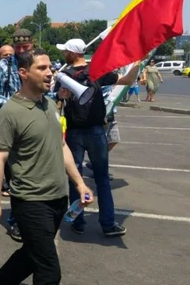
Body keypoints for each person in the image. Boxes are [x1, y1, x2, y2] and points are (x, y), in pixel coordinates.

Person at [0, 49, 95, 284]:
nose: (50, 73)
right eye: (42, 68)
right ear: (23, 73)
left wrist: (79, 182)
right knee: (49, 272)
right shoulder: (10, 112)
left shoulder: (50, 106)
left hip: (58, 199)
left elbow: (62, 146)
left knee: (29, 256)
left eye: (50, 68)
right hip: (31, 202)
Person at [56, 38, 137, 237]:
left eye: (66, 51)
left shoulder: (65, 74)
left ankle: (77, 220)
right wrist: (137, 64)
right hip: (96, 131)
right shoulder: (97, 71)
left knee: (75, 178)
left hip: (75, 132)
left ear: (73, 53)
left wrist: (60, 96)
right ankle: (108, 224)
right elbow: (127, 81)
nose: (63, 53)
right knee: (102, 179)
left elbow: (57, 101)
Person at [0, 30, 39, 242]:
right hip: (13, 123)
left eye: (26, 47)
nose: (22, 51)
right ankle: (16, 221)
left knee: (33, 173)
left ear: (32, 45)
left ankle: (32, 216)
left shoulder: (39, 62)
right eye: (18, 48)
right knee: (16, 174)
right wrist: (16, 106)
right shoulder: (3, 66)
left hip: (35, 123)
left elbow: (47, 90)